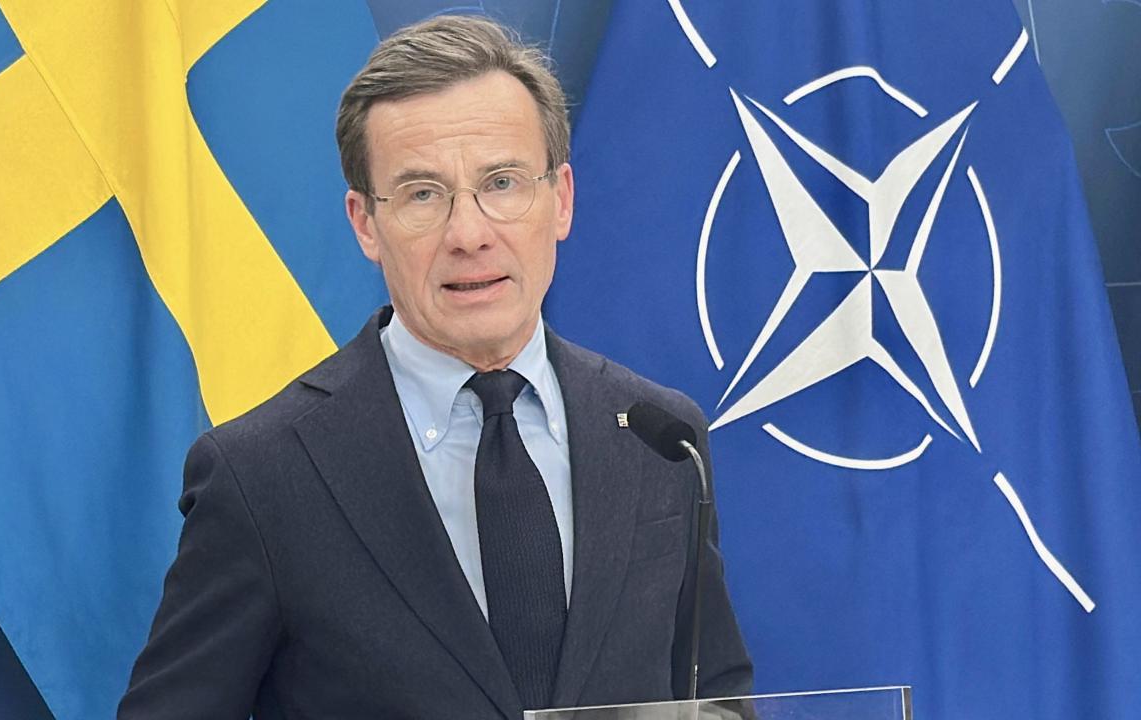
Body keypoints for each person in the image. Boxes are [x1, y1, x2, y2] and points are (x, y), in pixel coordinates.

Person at [118, 15, 751, 720]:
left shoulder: (663, 441)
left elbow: (718, 697)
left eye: (502, 183)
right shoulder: (260, 475)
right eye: (422, 193)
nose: (469, 234)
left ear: (561, 199)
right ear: (365, 223)